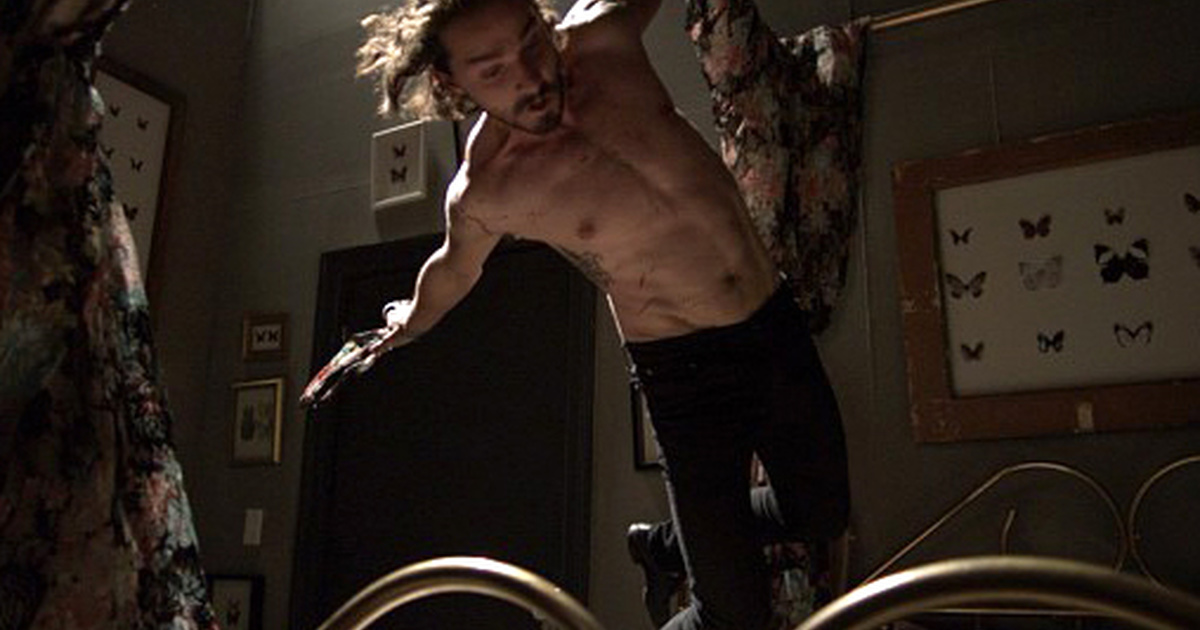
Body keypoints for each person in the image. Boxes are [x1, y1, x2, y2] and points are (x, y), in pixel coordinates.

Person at [355, 0, 850, 627]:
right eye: (493, 70)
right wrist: (410, 322)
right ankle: (691, 558)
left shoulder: (604, 37)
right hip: (684, 373)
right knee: (733, 617)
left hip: (771, 322)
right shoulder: (487, 191)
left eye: (530, 41)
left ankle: (665, 545)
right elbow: (454, 268)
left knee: (823, 513)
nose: (530, 76)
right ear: (452, 82)